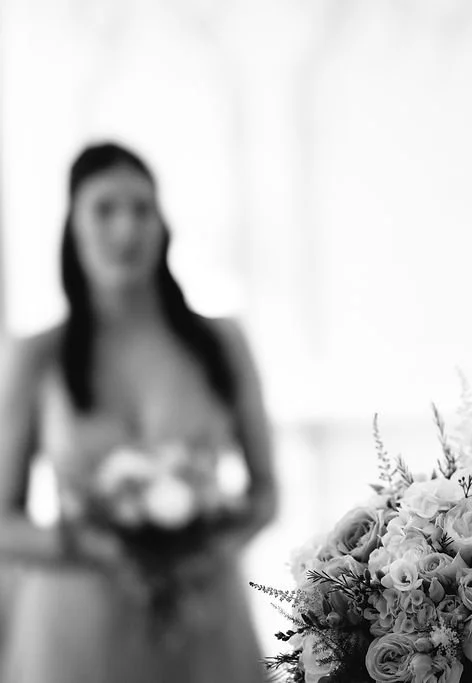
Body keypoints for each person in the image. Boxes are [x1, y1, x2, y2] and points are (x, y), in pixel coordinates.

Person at [0, 142, 277, 682]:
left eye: (141, 209)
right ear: (73, 227)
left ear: (163, 225)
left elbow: (265, 493)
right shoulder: (38, 356)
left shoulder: (220, 342)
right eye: (104, 209)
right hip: (73, 629)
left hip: (206, 620)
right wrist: (89, 545)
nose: (126, 229)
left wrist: (208, 548)